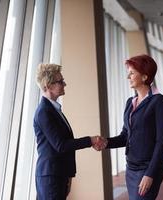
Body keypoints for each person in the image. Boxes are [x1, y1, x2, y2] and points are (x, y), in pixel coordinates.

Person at [101, 55, 163, 200]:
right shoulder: (130, 102)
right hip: (131, 168)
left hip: (148, 168)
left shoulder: (159, 102)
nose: (128, 77)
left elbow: (162, 141)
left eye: (132, 73)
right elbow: (125, 136)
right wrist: (105, 142)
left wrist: (150, 174)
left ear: (145, 77)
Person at [33, 63, 106, 200]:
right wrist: (90, 140)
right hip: (50, 177)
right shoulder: (44, 112)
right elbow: (61, 145)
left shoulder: (53, 109)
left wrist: (69, 175)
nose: (64, 84)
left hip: (57, 174)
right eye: (60, 81)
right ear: (48, 86)